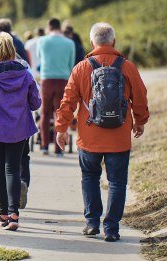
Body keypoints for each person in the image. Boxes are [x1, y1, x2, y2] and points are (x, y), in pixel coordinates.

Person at [56, 22, 149, 242]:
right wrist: (140, 121)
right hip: (119, 136)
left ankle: (92, 223)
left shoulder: (80, 68)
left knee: (90, 177)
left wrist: (60, 128)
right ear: (113, 42)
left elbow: (68, 100)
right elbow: (141, 96)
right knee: (117, 181)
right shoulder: (127, 67)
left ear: (92, 43)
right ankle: (112, 228)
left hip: (89, 137)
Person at [0, 32, 41, 231]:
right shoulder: (25, 74)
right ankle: (14, 214)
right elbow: (36, 103)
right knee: (13, 169)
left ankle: (3, 213)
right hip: (19, 128)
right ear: (13, 50)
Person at [37, 18, 75, 156]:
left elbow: (39, 57)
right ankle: (59, 148)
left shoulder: (42, 41)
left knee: (45, 113)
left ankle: (44, 145)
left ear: (49, 27)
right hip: (63, 80)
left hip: (46, 79)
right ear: (60, 27)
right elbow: (71, 64)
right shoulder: (69, 43)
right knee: (60, 114)